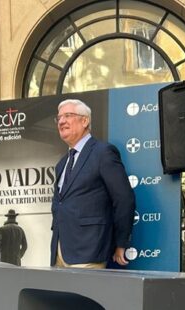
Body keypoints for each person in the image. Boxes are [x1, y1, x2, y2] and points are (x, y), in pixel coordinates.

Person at [50, 99, 136, 268]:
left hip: (90, 251)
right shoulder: (61, 164)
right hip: (59, 254)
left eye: (68, 115)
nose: (61, 121)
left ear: (85, 120)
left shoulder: (103, 153)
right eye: (59, 118)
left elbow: (124, 199)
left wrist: (121, 243)